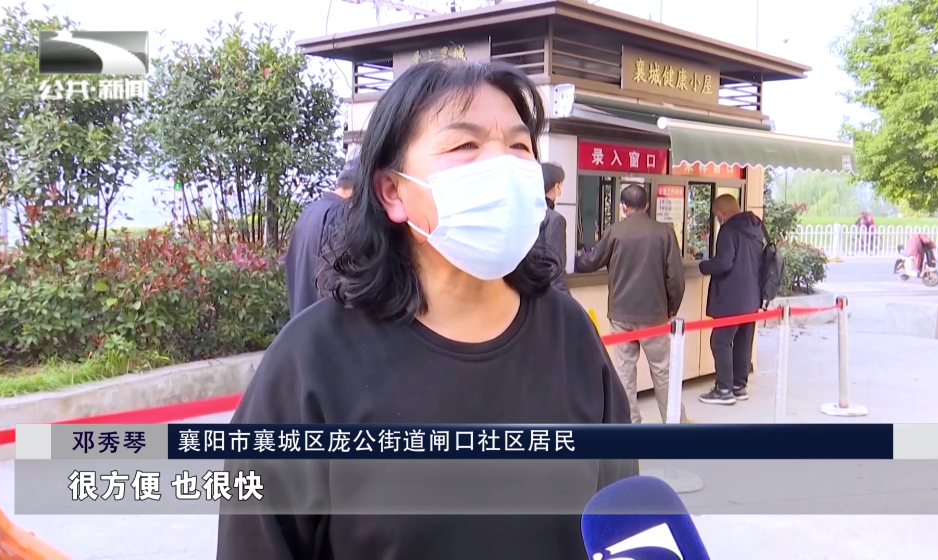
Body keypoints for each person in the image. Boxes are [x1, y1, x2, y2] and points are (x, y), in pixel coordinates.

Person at [217, 60, 636, 560]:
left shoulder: (570, 335)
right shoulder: (311, 361)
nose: (504, 167)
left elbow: (623, 524)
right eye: (466, 145)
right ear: (392, 191)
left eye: (520, 147)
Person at [575, 184, 685, 424]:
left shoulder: (615, 231)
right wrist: (671, 308)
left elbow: (591, 262)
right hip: (654, 314)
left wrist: (571, 260)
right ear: (647, 204)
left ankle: (629, 423)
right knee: (663, 371)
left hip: (620, 314)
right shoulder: (664, 232)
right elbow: (675, 278)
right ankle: (674, 422)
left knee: (624, 372)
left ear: (623, 207)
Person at [698, 194, 764, 405]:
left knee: (720, 342)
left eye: (716, 215)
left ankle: (724, 390)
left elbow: (724, 263)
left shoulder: (728, 230)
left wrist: (704, 265)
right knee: (743, 342)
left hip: (730, 299)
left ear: (721, 213)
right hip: (751, 298)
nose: (717, 219)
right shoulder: (756, 227)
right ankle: (738, 386)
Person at [284, 164, 354, 319]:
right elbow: (335, 287)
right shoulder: (340, 216)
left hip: (300, 319)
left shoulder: (309, 211)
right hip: (322, 324)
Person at [538, 162, 569, 293]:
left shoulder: (520, 214)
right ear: (557, 187)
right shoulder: (554, 219)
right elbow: (555, 270)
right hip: (543, 294)